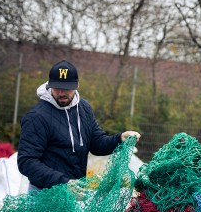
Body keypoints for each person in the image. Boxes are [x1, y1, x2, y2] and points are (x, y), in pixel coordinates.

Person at [17, 60, 141, 191]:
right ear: (49, 85)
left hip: (75, 191)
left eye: (67, 88)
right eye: (57, 87)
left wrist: (119, 139)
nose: (62, 93)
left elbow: (96, 142)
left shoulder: (84, 108)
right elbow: (27, 162)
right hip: (44, 194)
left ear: (76, 86)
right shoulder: (37, 117)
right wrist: (64, 183)